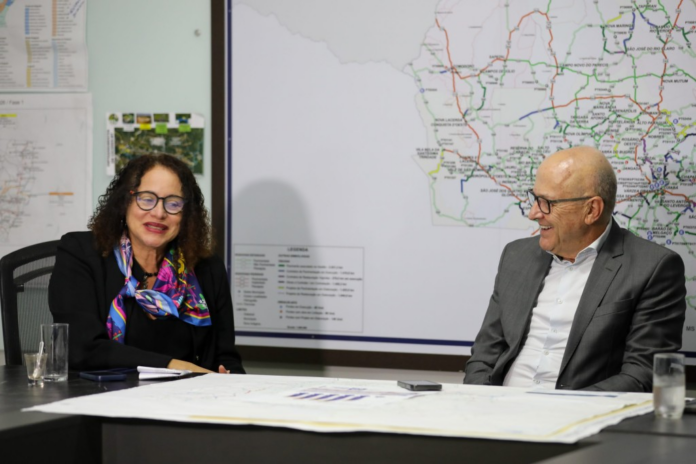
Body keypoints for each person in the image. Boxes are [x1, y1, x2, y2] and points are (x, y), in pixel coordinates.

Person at [464, 146, 686, 392]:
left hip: (582, 412)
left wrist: (564, 408)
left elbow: (642, 373)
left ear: (591, 210)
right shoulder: (516, 256)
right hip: (499, 408)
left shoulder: (652, 267)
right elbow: (484, 356)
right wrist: (480, 400)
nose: (533, 213)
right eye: (535, 199)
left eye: (547, 203)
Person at [49, 153, 245, 374]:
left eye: (173, 203)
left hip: (189, 394)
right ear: (125, 202)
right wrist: (175, 366)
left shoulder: (206, 268)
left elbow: (226, 357)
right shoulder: (81, 253)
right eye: (147, 199)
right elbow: (81, 349)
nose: (159, 213)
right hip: (102, 393)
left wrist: (230, 380)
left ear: (186, 214)